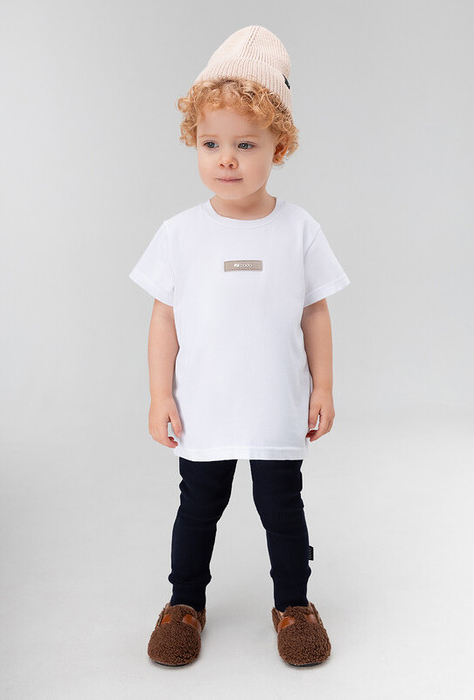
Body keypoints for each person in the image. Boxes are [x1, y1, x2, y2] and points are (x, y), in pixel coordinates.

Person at [129, 25, 350, 667]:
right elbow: (164, 318)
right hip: (205, 407)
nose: (226, 159)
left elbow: (315, 312)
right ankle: (184, 603)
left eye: (245, 144)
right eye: (212, 144)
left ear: (279, 145)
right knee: (198, 509)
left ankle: (294, 606)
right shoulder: (180, 234)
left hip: (276, 407)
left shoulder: (299, 229)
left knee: (282, 510)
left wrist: (324, 386)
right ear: (195, 142)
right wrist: (160, 395)